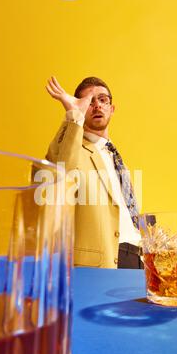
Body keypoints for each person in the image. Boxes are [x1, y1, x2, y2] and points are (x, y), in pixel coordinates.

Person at [45, 76, 143, 269]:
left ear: (112, 109)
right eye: (89, 102)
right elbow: (58, 173)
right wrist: (75, 115)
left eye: (102, 99)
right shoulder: (72, 148)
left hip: (137, 258)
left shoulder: (114, 155)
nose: (97, 105)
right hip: (102, 261)